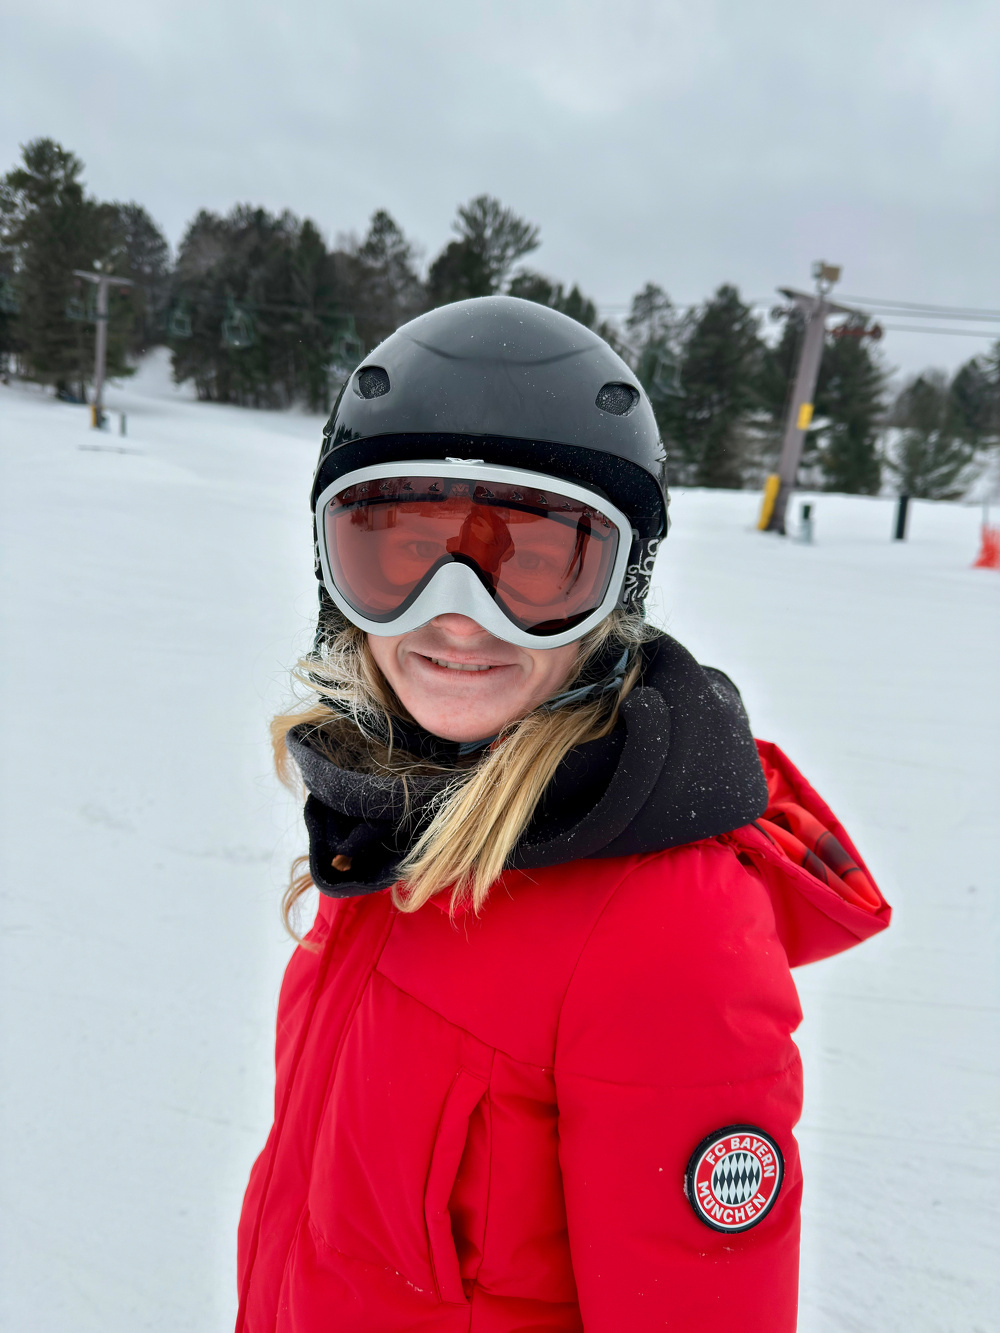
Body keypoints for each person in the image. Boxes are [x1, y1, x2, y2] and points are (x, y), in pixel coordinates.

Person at [235, 297, 890, 1332]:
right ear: (335, 572)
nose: (456, 615)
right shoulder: (392, 816)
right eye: (402, 553)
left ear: (615, 590)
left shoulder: (666, 928)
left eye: (533, 565)